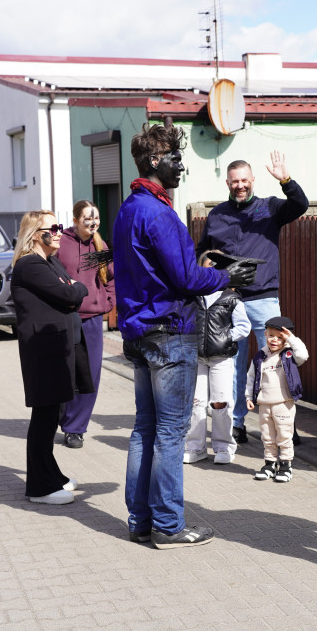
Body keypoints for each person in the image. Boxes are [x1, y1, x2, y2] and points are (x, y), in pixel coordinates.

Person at [112, 123, 255, 549]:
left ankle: (140, 520)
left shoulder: (128, 209)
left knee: (146, 429)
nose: (181, 167)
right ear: (156, 161)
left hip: (139, 332)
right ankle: (169, 525)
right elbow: (186, 276)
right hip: (169, 334)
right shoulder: (157, 212)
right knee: (170, 433)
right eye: (176, 159)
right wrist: (225, 274)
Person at [196, 151, 309, 445]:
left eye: (244, 180)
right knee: (232, 365)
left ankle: (286, 424)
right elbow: (201, 252)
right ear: (228, 182)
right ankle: (236, 424)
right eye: (235, 181)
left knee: (276, 362)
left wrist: (286, 180)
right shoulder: (217, 214)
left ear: (253, 180)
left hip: (263, 299)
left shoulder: (269, 208)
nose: (240, 185)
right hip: (227, 300)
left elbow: (300, 205)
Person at [11, 210, 92, 505]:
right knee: (44, 417)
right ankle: (39, 488)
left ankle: (51, 475)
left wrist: (72, 289)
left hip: (58, 347)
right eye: (52, 228)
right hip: (43, 351)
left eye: (59, 226)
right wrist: (73, 290)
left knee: (52, 415)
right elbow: (70, 295)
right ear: (35, 234)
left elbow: (69, 289)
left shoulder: (50, 262)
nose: (59, 231)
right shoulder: (30, 265)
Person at [55, 200, 115, 449]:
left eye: (96, 218)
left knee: (89, 375)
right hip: (63, 317)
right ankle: (57, 415)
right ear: (76, 219)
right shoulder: (61, 243)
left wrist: (109, 299)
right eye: (88, 218)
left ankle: (75, 428)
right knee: (61, 372)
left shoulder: (101, 245)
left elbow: (112, 277)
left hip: (90, 320)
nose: (93, 222)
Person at [185, 250, 251, 465]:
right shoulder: (193, 296)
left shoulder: (231, 298)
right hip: (197, 357)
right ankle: (195, 447)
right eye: (209, 264)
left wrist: (225, 337)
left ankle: (223, 446)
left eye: (217, 265)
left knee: (221, 402)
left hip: (221, 357)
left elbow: (244, 326)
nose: (212, 268)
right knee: (196, 402)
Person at [246, 316, 308, 483]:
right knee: (267, 436)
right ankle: (270, 464)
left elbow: (303, 354)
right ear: (265, 334)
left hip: (283, 403)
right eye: (271, 335)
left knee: (284, 435)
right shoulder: (260, 357)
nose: (275, 340)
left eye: (280, 337)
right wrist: (249, 397)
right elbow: (251, 377)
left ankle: (286, 465)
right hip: (264, 403)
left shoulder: (289, 355)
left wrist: (291, 339)